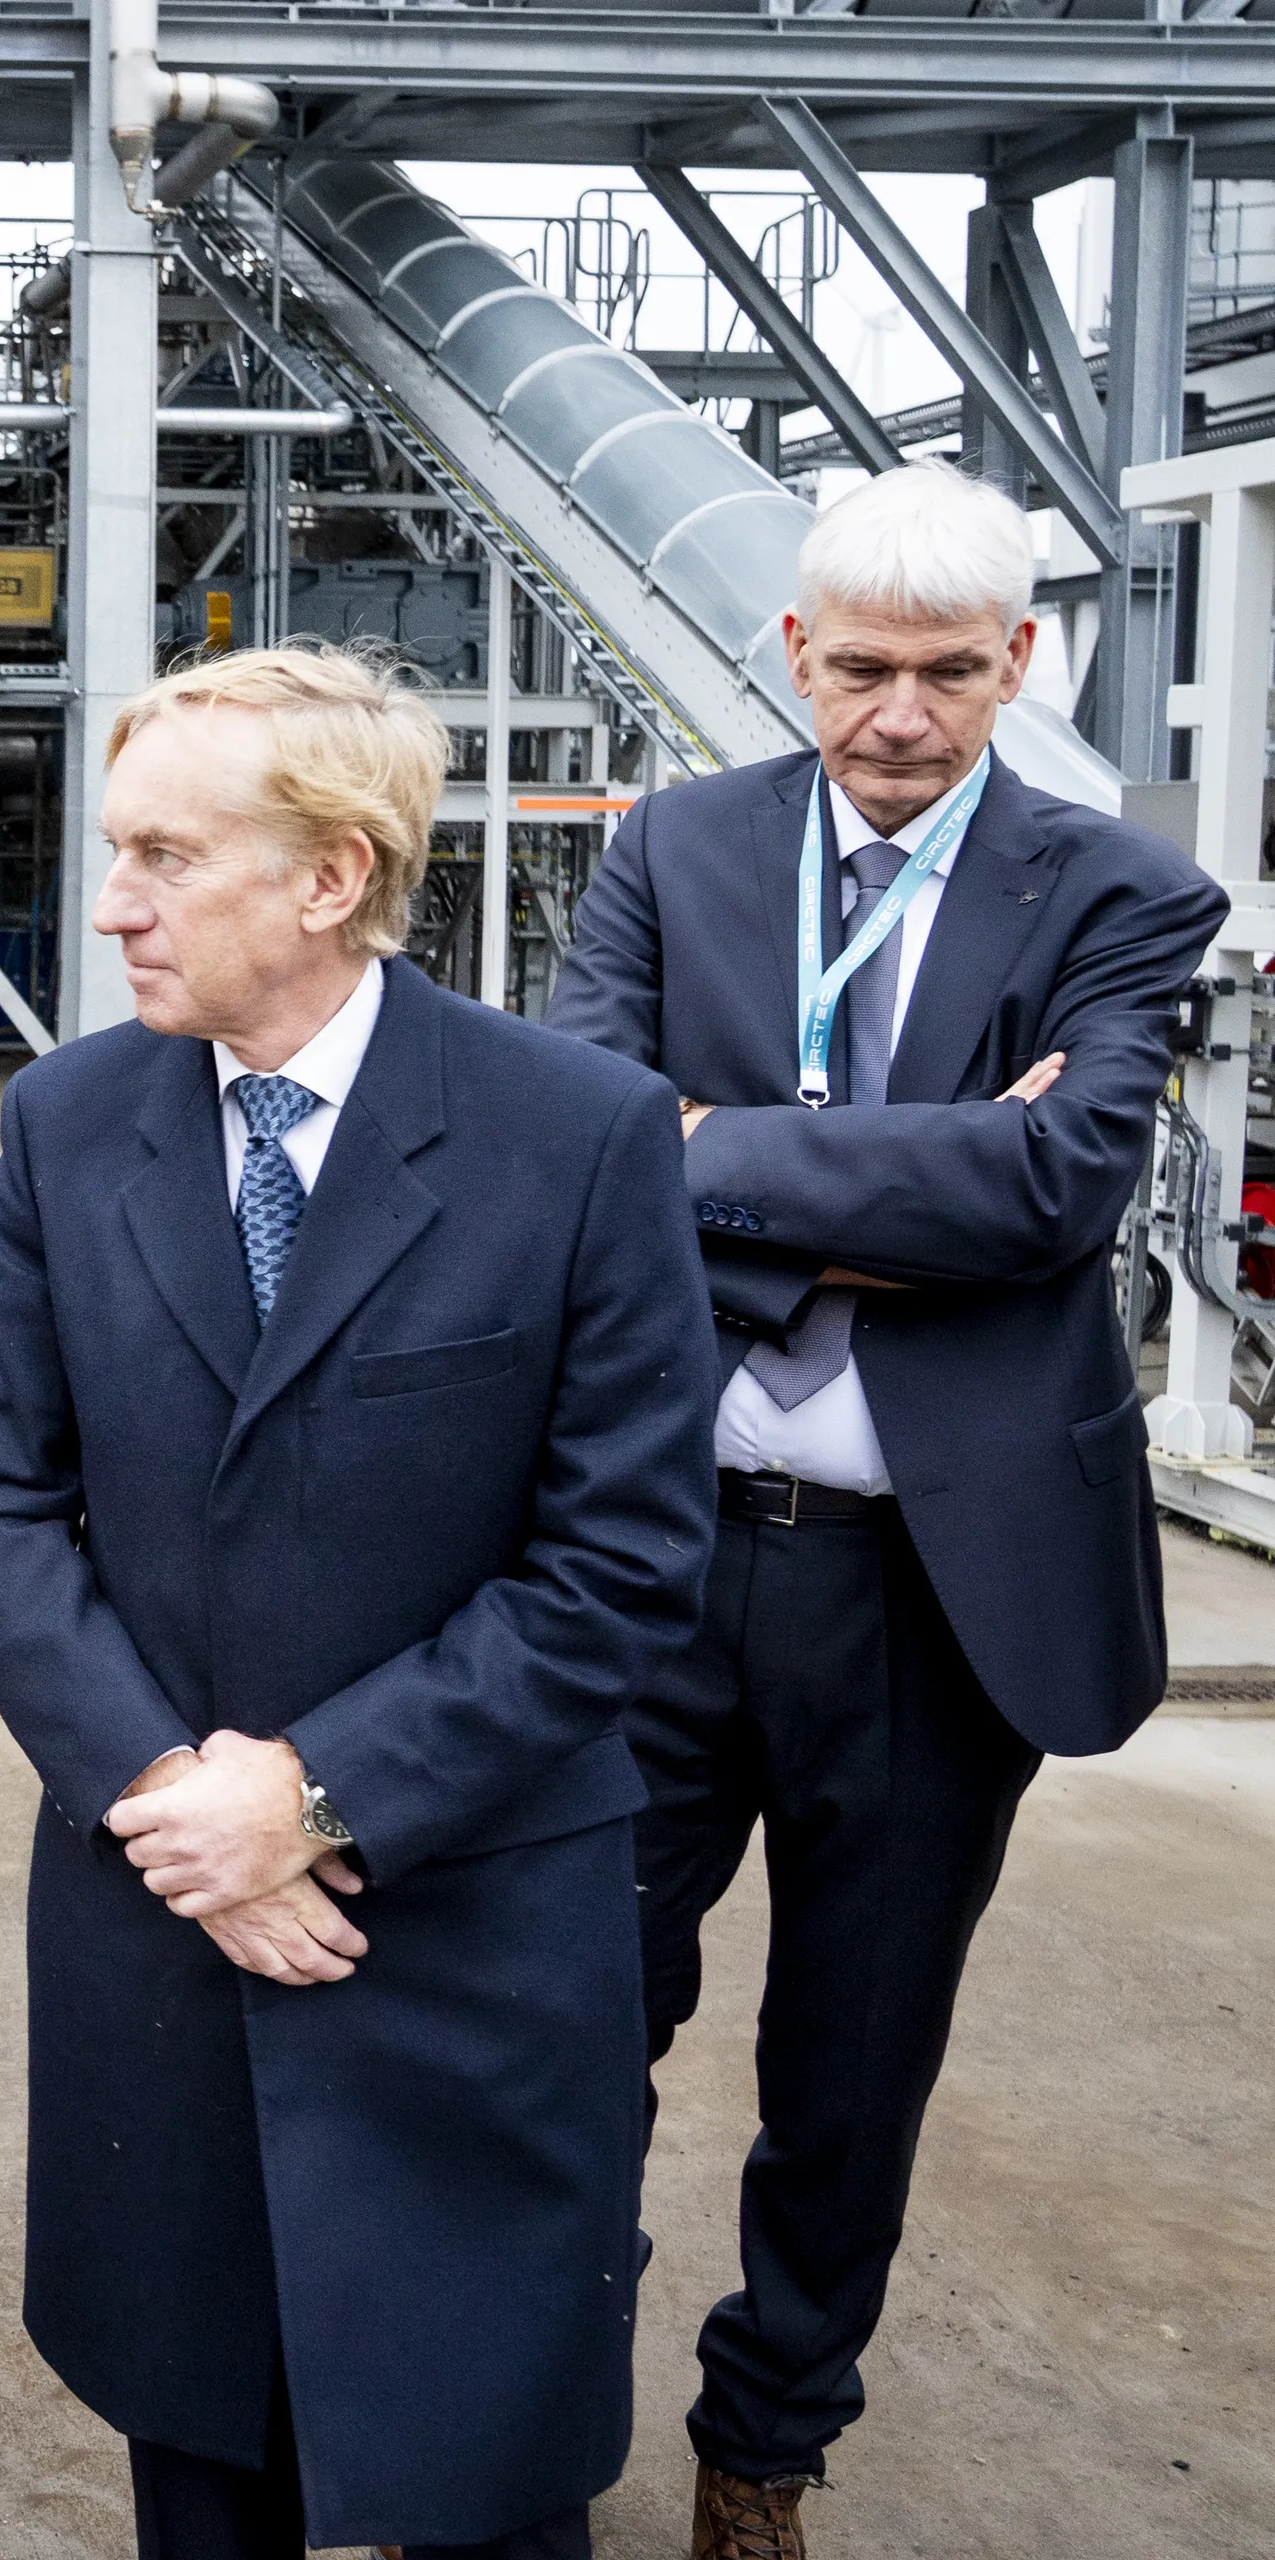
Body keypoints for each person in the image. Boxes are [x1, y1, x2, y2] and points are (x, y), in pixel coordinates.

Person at [0, 644, 721, 2560]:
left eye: (164, 858)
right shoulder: (74, 1119)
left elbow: (625, 1562)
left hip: (463, 1923)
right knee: (205, 2453)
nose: (109, 899)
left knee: (485, 2467)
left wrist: (319, 1791)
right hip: (168, 1913)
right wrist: (176, 1795)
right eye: (118, 851)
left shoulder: (575, 1134)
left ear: (332, 878)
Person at [545, 464, 1229, 2559]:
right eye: (861, 668)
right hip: (656, 1563)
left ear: (1021, 662)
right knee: (565, 2017)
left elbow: (1058, 1194)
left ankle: (765, 2439)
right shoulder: (672, 845)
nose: (904, 716)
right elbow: (589, 1147)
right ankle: (521, 2400)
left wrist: (719, 1159)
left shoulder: (1123, 890)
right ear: (792, 652)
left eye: (951, 671)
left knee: (849, 2070)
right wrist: (909, 1183)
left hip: (935, 1598)